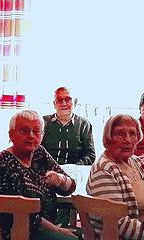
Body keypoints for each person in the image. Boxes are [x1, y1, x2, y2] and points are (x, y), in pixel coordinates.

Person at [0, 110, 78, 240]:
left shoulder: (39, 153)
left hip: (45, 227)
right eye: (24, 131)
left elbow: (70, 187)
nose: (31, 136)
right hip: (19, 232)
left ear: (42, 135)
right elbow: (24, 213)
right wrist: (58, 230)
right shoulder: (5, 161)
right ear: (11, 135)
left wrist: (61, 180)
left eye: (36, 131)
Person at [41, 87, 95, 226]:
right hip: (48, 171)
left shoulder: (84, 124)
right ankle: (50, 226)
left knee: (69, 193)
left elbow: (90, 154)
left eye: (68, 99)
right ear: (54, 104)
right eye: (60, 100)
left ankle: (61, 227)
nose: (64, 103)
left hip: (73, 172)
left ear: (74, 102)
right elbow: (37, 150)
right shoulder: (43, 123)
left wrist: (75, 167)